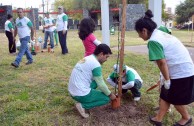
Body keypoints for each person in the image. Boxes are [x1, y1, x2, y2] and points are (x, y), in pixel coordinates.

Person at [135, 10, 194, 126]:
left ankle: (186, 118)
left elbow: (162, 62)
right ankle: (158, 119)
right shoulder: (159, 31)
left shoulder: (153, 41)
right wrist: (164, 78)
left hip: (181, 72)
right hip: (180, 68)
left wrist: (167, 80)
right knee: (165, 95)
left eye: (139, 33)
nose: (139, 36)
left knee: (175, 98)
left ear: (144, 30)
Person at [68, 44, 116, 118]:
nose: (106, 59)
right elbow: (101, 84)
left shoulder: (88, 58)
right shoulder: (96, 64)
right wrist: (110, 94)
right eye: (106, 57)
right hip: (80, 93)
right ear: (101, 54)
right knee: (106, 99)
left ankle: (84, 99)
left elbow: (97, 82)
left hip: (72, 91)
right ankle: (82, 105)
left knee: (95, 82)